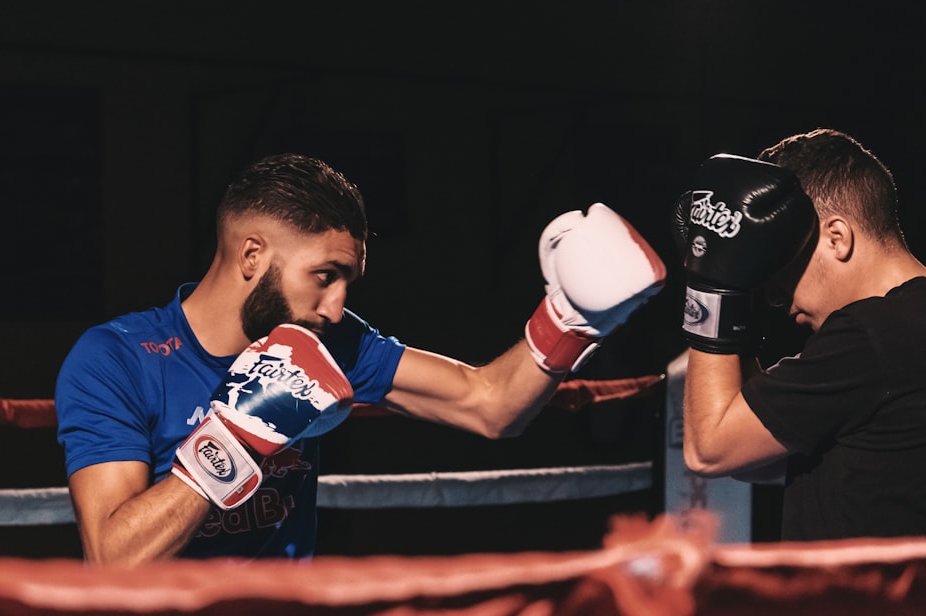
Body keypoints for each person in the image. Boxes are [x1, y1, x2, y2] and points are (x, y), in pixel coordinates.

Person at [55, 153, 666, 565]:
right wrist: (235, 438)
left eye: (348, 280)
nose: (337, 303)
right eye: (325, 275)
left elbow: (489, 403)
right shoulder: (118, 359)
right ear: (250, 255)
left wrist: (568, 322)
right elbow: (115, 558)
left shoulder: (334, 342)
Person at [676, 128, 926, 541]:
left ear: (837, 238)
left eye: (783, 266)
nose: (777, 298)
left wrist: (711, 284)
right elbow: (759, 456)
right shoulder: (909, 327)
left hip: (859, 603)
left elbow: (710, 449)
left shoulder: (869, 336)